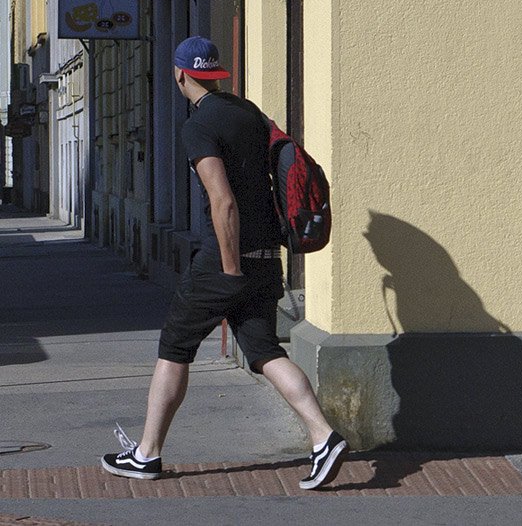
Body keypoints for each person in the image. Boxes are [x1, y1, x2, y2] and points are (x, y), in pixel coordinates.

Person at [101, 36, 347, 490]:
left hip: (225, 260)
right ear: (217, 72)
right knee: (265, 350)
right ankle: (323, 435)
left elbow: (223, 201)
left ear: (180, 74)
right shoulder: (248, 112)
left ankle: (147, 454)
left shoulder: (199, 125)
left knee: (174, 344)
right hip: (267, 256)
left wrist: (230, 266)